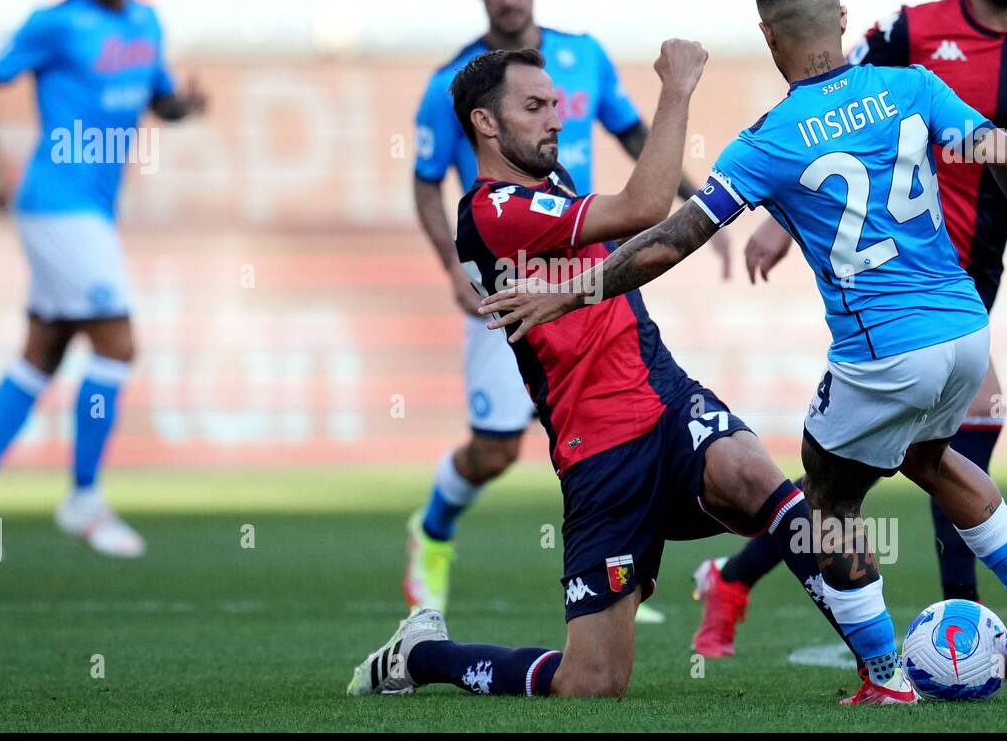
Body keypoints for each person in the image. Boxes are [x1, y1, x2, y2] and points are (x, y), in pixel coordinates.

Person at [481, 0, 1007, 704]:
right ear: (838, 18)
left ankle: (886, 679)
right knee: (928, 457)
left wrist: (581, 287)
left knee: (826, 501)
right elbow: (1003, 150)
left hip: (885, 347)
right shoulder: (911, 84)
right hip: (966, 328)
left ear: (769, 37)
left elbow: (674, 237)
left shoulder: (768, 140)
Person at [350, 41, 845, 699]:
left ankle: (883, 669)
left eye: (557, 104)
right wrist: (677, 88)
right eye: (535, 107)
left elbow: (637, 241)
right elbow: (644, 207)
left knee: (765, 480)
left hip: (666, 401)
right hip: (598, 453)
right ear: (486, 123)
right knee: (590, 683)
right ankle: (425, 655)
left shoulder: (548, 187)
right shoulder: (493, 214)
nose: (557, 119)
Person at [694, 0, 1007, 657]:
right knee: (938, 447)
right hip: (927, 285)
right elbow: (831, 129)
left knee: (856, 473)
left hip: (954, 283)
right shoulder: (913, 36)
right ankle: (997, 616)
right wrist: (781, 225)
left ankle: (908, 643)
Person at [406, 0, 729, 618]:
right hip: (513, 271)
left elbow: (636, 134)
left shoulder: (581, 58)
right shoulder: (451, 85)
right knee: (496, 450)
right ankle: (432, 532)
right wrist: (456, 271)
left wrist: (695, 201)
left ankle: (617, 560)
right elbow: (424, 181)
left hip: (584, 263)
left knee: (620, 410)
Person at [0, 0, 206, 557]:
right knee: (119, 340)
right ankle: (83, 495)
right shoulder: (54, 23)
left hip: (91, 211)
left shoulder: (146, 22)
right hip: (55, 202)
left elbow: (158, 97)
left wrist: (184, 106)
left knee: (44, 350)